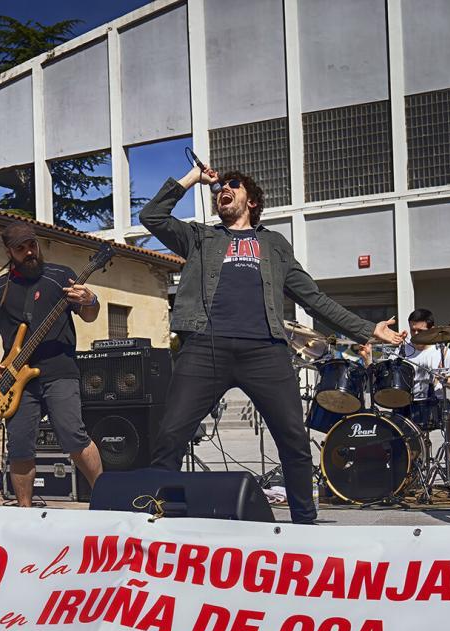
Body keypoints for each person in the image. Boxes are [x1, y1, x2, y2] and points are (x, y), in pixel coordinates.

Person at [139, 164, 405, 524]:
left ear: (252, 199)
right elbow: (152, 215)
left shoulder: (274, 245)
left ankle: (304, 524)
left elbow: (313, 298)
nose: (223, 191)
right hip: (205, 347)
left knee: (294, 441)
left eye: (233, 185)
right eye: (219, 189)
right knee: (171, 435)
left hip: (264, 351)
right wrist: (190, 178)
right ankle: (155, 523)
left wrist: (366, 329)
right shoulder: (200, 237)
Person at [0, 221, 104, 506]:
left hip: (60, 371)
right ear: (9, 252)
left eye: (31, 245)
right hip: (16, 379)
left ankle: (105, 497)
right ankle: (24, 509)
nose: (29, 252)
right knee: (19, 445)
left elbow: (89, 315)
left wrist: (91, 300)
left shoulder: (62, 276)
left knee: (73, 435)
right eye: (21, 248)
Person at [400, 309, 450, 469]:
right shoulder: (401, 350)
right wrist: (368, 360)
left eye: (420, 331)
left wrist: (444, 379)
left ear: (431, 329)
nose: (415, 333)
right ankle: (410, 469)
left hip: (434, 402)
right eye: (412, 329)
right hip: (408, 403)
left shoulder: (442, 351)